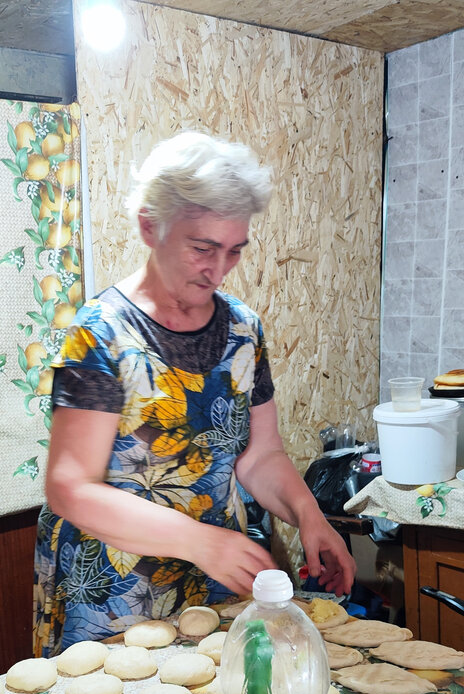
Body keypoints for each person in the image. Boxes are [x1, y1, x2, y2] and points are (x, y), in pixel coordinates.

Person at [34, 132, 356, 656]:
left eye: (233, 251)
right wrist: (200, 541)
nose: (218, 268)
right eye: (202, 247)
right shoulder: (101, 335)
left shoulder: (243, 331)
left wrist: (309, 517)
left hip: (214, 576)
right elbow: (70, 488)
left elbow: (261, 454)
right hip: (114, 588)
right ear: (149, 227)